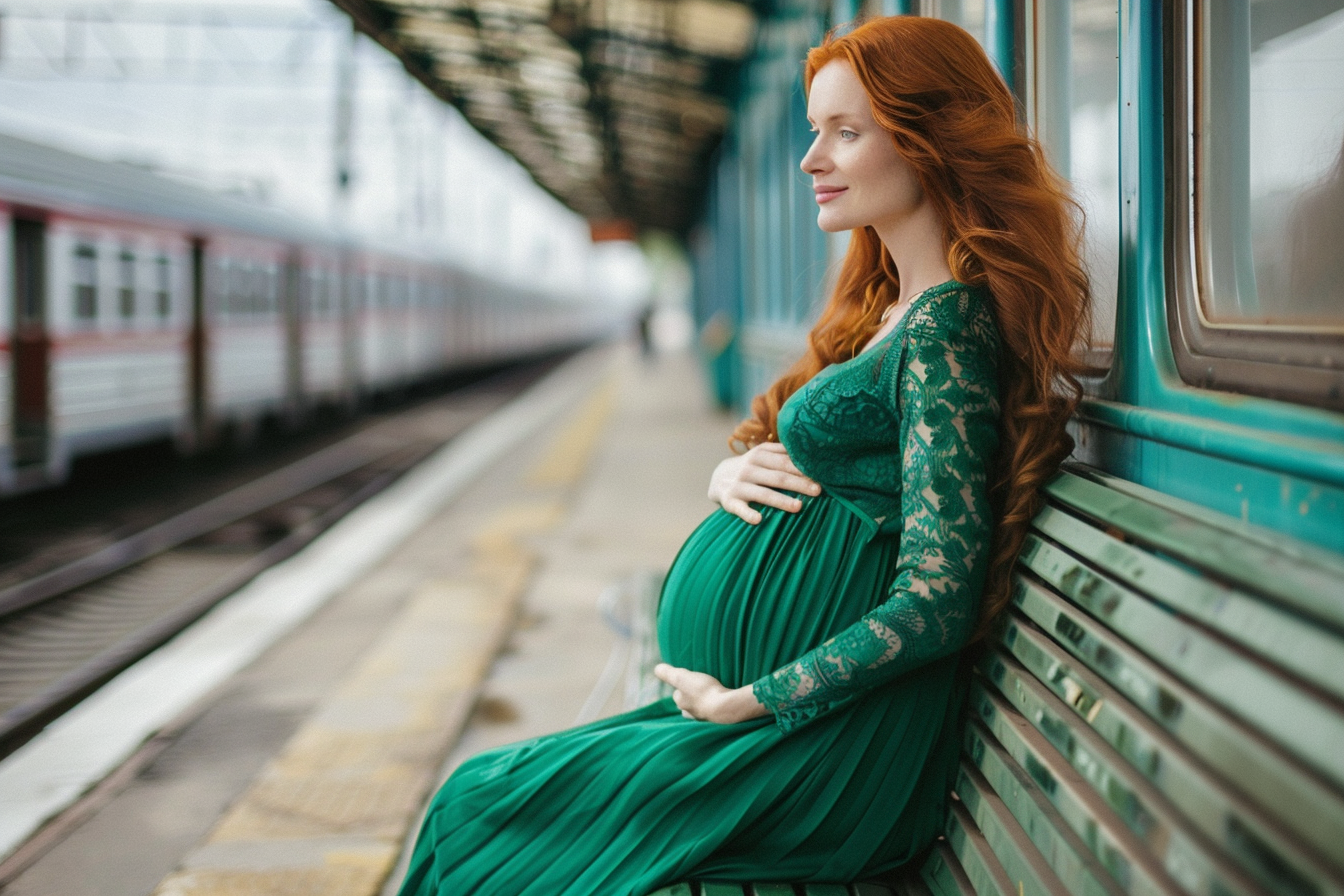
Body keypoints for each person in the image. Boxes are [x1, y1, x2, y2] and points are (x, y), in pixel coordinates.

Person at [397, 15, 1090, 896]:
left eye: (847, 132)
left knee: (477, 809)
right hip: (771, 722)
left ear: (930, 142)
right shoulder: (893, 310)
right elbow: (832, 461)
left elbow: (939, 599)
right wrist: (732, 471)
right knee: (480, 803)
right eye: (813, 132)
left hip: (821, 746)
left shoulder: (948, 326)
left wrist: (753, 701)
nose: (814, 159)